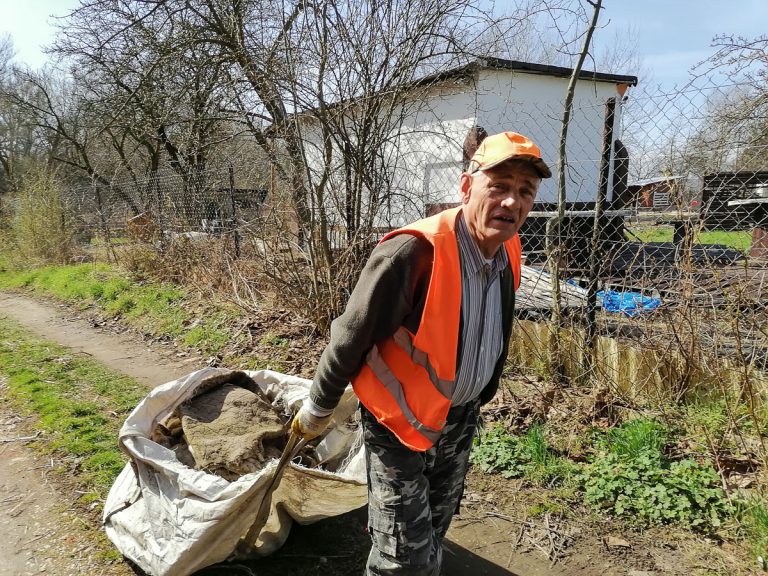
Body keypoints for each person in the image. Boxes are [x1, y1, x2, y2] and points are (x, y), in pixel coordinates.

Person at [291, 131, 551, 575]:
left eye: (525, 191)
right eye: (500, 186)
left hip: (459, 418)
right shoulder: (414, 252)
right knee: (404, 561)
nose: (512, 202)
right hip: (397, 424)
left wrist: (479, 394)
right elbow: (350, 335)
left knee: (431, 529)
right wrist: (318, 410)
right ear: (467, 187)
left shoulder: (508, 250)